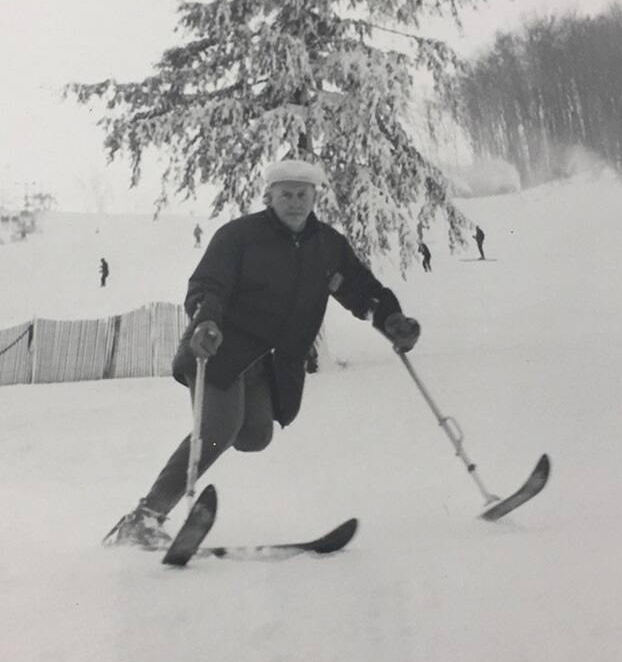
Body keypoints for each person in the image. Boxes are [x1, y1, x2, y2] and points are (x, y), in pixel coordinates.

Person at [102, 159, 422, 549]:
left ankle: (168, 494)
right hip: (218, 349)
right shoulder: (239, 236)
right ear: (269, 196)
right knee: (218, 430)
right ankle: (144, 518)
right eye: (286, 194)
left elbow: (362, 291)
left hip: (268, 364)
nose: (295, 202)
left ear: (315, 197)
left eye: (302, 194)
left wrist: (391, 320)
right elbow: (207, 286)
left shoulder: (328, 246)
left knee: (255, 436)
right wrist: (206, 321)